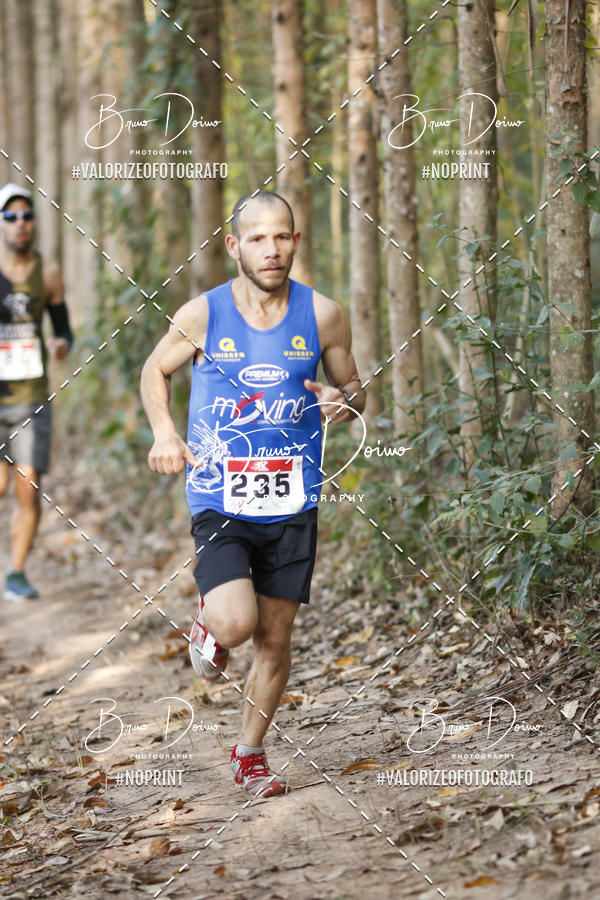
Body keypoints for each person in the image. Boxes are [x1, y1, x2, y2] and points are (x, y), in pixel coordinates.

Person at [141, 190, 365, 797]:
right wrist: (164, 431)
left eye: (282, 237)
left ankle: (250, 754)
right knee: (238, 624)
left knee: (275, 639)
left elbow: (354, 389)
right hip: (220, 495)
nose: (272, 249)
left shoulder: (323, 315)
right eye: (258, 239)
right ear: (235, 246)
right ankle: (210, 621)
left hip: (293, 499)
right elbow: (154, 369)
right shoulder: (203, 315)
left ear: (296, 242)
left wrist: (343, 401)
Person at [0, 183, 73, 601]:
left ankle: (16, 572)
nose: (20, 223)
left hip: (30, 396)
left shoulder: (48, 272)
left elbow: (63, 330)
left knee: (27, 487)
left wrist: (61, 344)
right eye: (11, 216)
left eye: (26, 215)